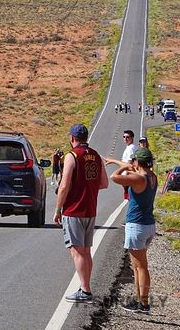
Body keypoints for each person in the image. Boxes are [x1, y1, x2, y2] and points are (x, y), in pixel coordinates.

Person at [53, 123, 109, 303]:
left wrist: (58, 209)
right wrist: (88, 186)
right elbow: (104, 184)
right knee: (86, 251)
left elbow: (64, 186)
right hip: (90, 209)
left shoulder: (72, 156)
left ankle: (85, 290)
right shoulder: (96, 156)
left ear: (72, 138)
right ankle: (86, 286)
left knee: (77, 252)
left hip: (74, 210)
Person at [109, 147, 157, 314]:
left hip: (137, 225)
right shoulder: (152, 177)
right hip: (148, 225)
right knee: (138, 267)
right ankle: (139, 301)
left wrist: (122, 167)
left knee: (141, 267)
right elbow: (134, 169)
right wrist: (115, 161)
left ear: (137, 162)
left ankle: (143, 304)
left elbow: (114, 177)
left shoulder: (137, 178)